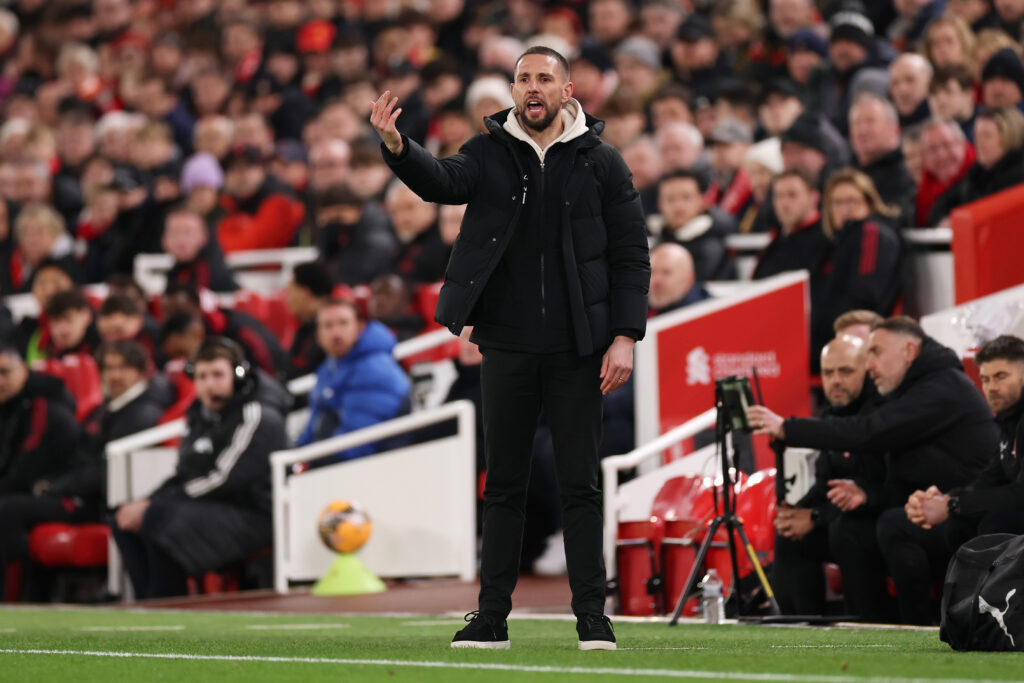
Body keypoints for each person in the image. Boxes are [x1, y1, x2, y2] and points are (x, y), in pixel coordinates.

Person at [370, 46, 650, 650]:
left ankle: (592, 616)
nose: (532, 88)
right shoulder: (487, 151)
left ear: (567, 90)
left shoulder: (603, 162)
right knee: (502, 485)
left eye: (544, 78)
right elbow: (442, 182)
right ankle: (491, 616)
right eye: (524, 78)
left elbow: (632, 255)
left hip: (579, 346)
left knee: (581, 486)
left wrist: (625, 336)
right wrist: (397, 146)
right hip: (506, 342)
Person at [747, 316, 999, 620]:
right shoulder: (908, 390)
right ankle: (825, 627)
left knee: (890, 525)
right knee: (848, 530)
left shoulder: (939, 387)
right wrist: (834, 503)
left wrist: (787, 428)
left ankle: (915, 629)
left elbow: (868, 432)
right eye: (829, 372)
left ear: (909, 351)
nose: (869, 365)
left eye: (875, 352)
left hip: (970, 515)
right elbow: (882, 469)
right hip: (924, 506)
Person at [111, 337, 291, 599]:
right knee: (123, 517)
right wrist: (145, 501)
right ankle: (146, 600)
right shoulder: (199, 417)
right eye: (202, 376)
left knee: (159, 516)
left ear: (238, 376)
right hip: (213, 507)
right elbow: (184, 474)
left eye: (217, 375)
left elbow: (225, 478)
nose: (209, 384)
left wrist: (154, 504)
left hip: (255, 514)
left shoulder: (258, 415)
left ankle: (167, 603)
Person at [877, 335, 1024, 624]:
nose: (991, 387)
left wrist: (953, 505)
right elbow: (988, 480)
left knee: (994, 523)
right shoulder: (1008, 421)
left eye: (1001, 377)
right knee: (947, 524)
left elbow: (1020, 494)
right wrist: (943, 500)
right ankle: (946, 621)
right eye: (985, 379)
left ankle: (996, 623)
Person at [771, 335, 889, 619]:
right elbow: (825, 483)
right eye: (828, 373)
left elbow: (886, 487)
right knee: (789, 535)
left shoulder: (883, 414)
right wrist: (799, 512)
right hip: (841, 518)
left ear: (866, 371)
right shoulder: (830, 415)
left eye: (845, 371)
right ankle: (800, 626)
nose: (835, 380)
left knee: (845, 530)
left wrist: (815, 517)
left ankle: (866, 624)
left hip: (881, 516)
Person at [0, 343, 79, 592]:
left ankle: (14, 599)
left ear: (23, 370)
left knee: (5, 509)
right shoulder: (9, 407)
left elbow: (28, 466)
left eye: (4, 372)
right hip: (29, 492)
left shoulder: (44, 406)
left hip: (64, 493)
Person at [296, 298, 411, 460]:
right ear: (318, 336)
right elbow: (313, 428)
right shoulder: (328, 369)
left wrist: (308, 464)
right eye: (328, 326)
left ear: (359, 327)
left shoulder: (375, 370)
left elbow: (354, 447)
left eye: (343, 323)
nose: (336, 333)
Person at [814, 169, 904, 363]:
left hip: (856, 340)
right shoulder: (836, 241)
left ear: (869, 202)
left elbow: (866, 295)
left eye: (852, 201)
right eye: (837, 202)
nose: (845, 209)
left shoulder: (872, 232)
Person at [653, 170, 738, 281]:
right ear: (660, 204)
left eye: (686, 197)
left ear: (702, 200)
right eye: (670, 199)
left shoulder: (713, 246)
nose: (678, 206)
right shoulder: (657, 240)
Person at [848, 93, 917, 225]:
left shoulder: (908, 172)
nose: (862, 130)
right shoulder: (844, 173)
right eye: (856, 123)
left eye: (870, 121)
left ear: (894, 129)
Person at [163, 205, 238, 293]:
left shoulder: (212, 272)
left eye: (188, 232)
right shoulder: (172, 273)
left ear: (204, 236)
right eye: (174, 233)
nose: (181, 240)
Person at [283, 261, 332, 380]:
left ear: (305, 293)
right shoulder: (305, 327)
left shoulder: (330, 329)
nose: (287, 300)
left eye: (289, 292)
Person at [648, 242, 711, 315]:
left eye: (666, 273)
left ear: (689, 279)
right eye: (652, 272)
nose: (656, 281)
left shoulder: (705, 313)